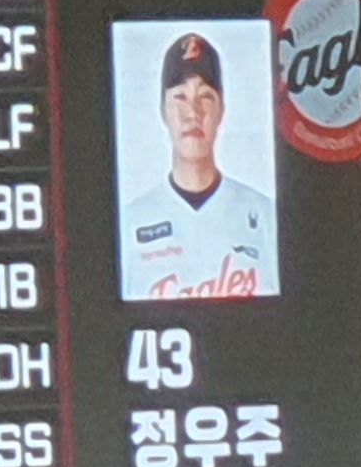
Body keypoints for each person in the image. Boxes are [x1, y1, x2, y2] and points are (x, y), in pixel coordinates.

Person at [117, 33, 277, 302]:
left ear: (221, 110)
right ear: (163, 111)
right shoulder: (130, 224)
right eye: (180, 97)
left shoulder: (266, 216)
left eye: (205, 97)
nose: (193, 112)